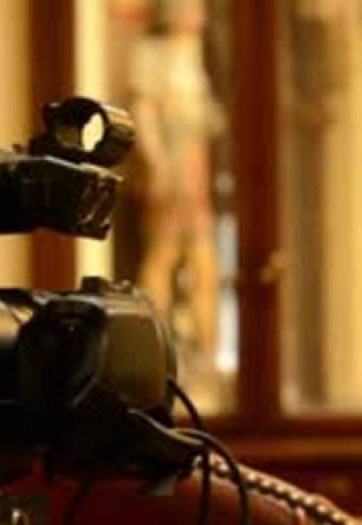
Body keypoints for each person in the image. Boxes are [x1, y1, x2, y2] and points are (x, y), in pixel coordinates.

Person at [128, 0, 224, 366]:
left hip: (195, 163)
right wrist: (158, 163)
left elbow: (206, 117)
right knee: (163, 253)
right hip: (172, 163)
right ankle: (152, 343)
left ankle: (207, 347)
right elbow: (145, 112)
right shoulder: (153, 54)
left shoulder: (196, 55)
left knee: (203, 258)